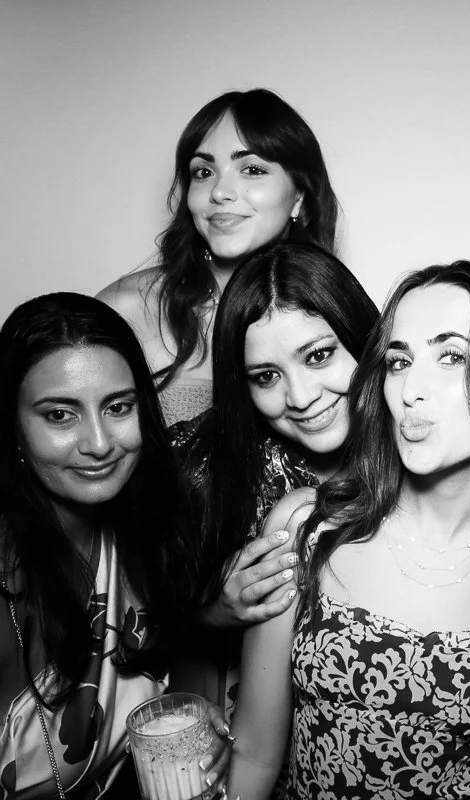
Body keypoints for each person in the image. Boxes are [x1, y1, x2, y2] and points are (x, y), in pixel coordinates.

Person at [226, 261, 470, 800]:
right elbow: (253, 752)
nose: (411, 388)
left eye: (451, 356)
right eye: (399, 360)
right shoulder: (308, 529)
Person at [0, 293, 229, 799]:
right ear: (13, 428)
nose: (100, 443)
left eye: (118, 408)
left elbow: (171, 651)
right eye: (60, 415)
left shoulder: (152, 526)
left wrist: (192, 711)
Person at [168, 241, 379, 717]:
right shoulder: (205, 470)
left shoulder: (424, 452)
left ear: (364, 339)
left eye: (319, 356)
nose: (301, 396)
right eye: (266, 376)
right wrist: (212, 612)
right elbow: (144, 629)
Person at [98, 88, 339, 426]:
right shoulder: (128, 309)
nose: (220, 192)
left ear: (299, 195)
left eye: (252, 169)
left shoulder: (335, 320)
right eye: (204, 172)